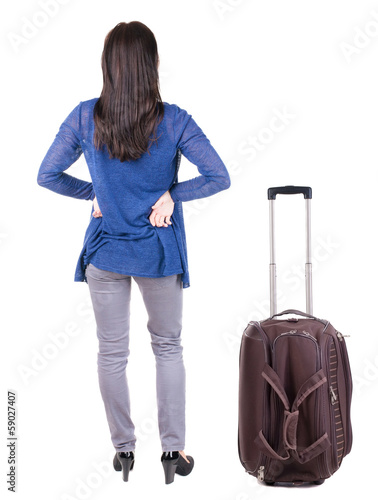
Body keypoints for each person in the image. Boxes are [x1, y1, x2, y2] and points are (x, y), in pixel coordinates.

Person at [37, 21, 231, 484]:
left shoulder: (85, 117)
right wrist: (171, 196)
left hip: (105, 252)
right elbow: (218, 175)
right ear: (153, 65)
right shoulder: (175, 119)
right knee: (167, 347)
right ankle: (173, 453)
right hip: (157, 255)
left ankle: (123, 452)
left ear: (107, 67)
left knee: (111, 353)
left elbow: (47, 174)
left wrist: (97, 195)